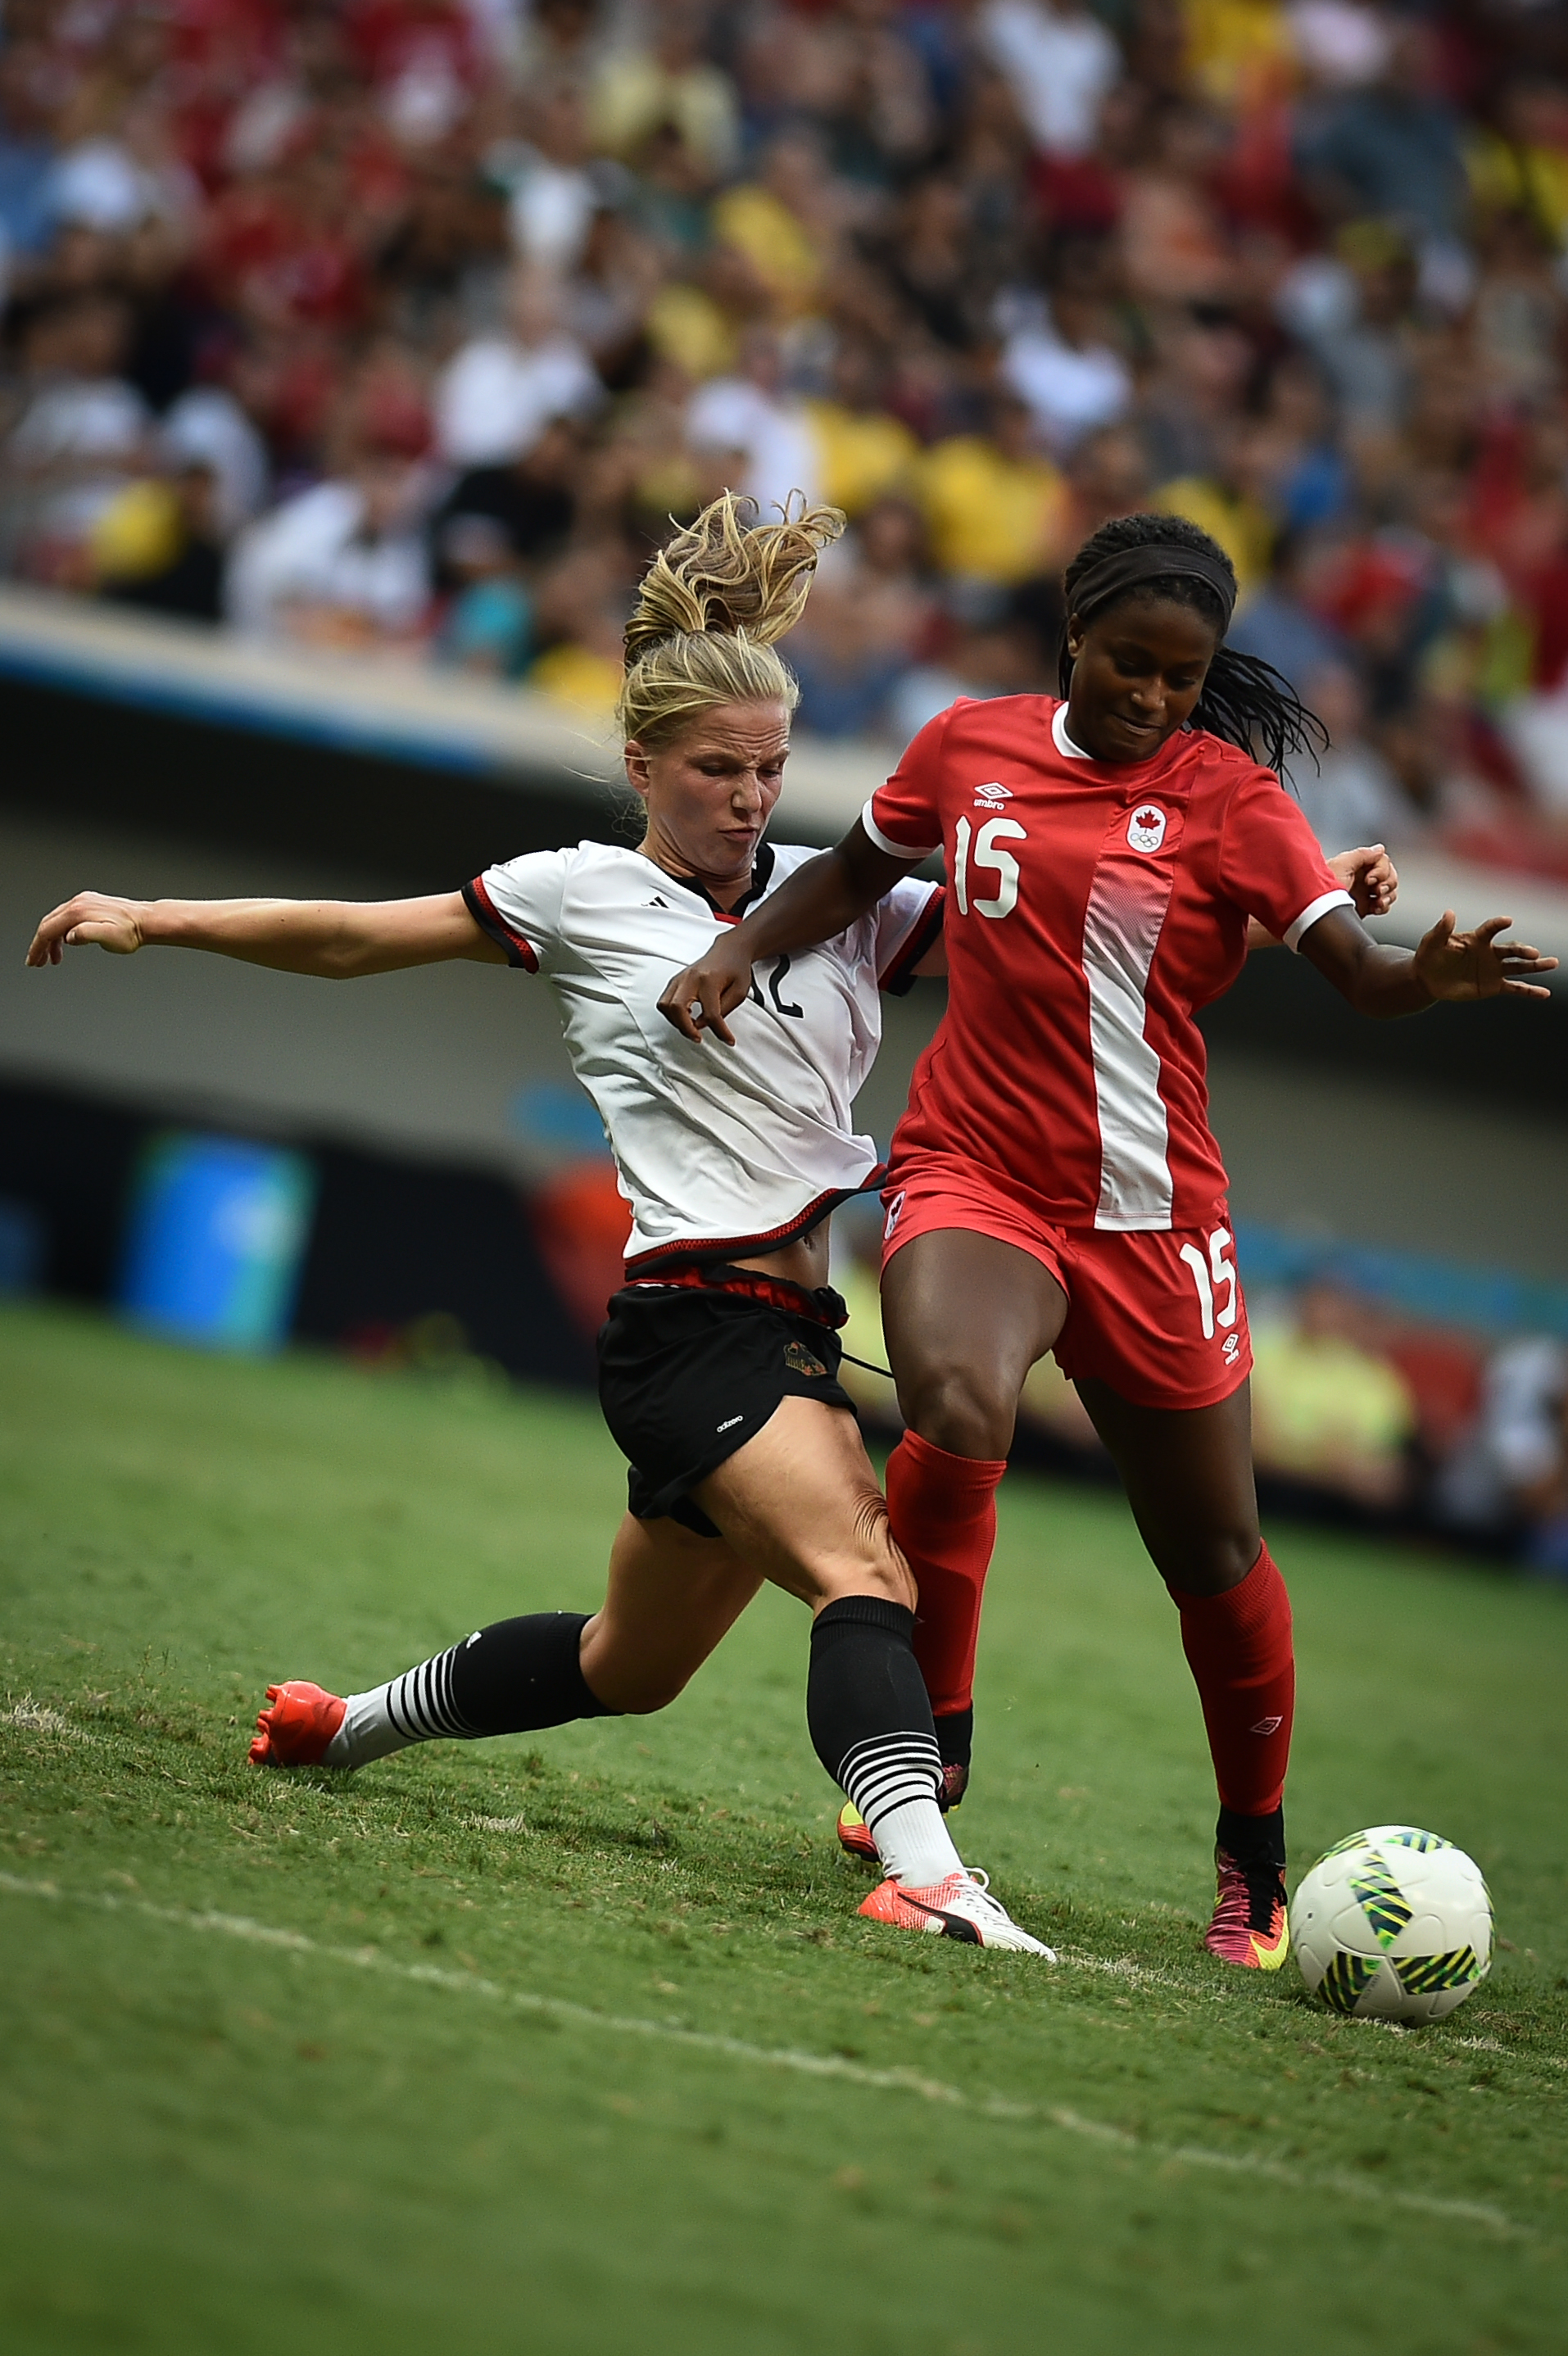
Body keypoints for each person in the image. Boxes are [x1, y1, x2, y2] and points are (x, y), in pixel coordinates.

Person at [24, 492, 1048, 1957]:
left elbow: (1072, 918)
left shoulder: (843, 901)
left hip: (787, 1329)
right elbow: (354, 935)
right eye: (716, 769)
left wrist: (1303, 898)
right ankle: (926, 1872)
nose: (749, 797)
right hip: (694, 1329)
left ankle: (340, 1726)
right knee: (864, 1571)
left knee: (629, 1668)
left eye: (768, 769)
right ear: (642, 766)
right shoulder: (578, 892)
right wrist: (162, 915)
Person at [657, 510, 1557, 1972]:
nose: (1150, 696)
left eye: (1180, 678)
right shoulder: (967, 746)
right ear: (1073, 634)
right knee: (955, 1403)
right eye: (1129, 662)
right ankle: (930, 1748)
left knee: (1211, 1549)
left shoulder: (1234, 803)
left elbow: (1355, 973)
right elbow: (854, 875)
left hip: (1154, 1221)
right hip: (975, 1170)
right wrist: (738, 946)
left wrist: (1424, 977)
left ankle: (1252, 1859)